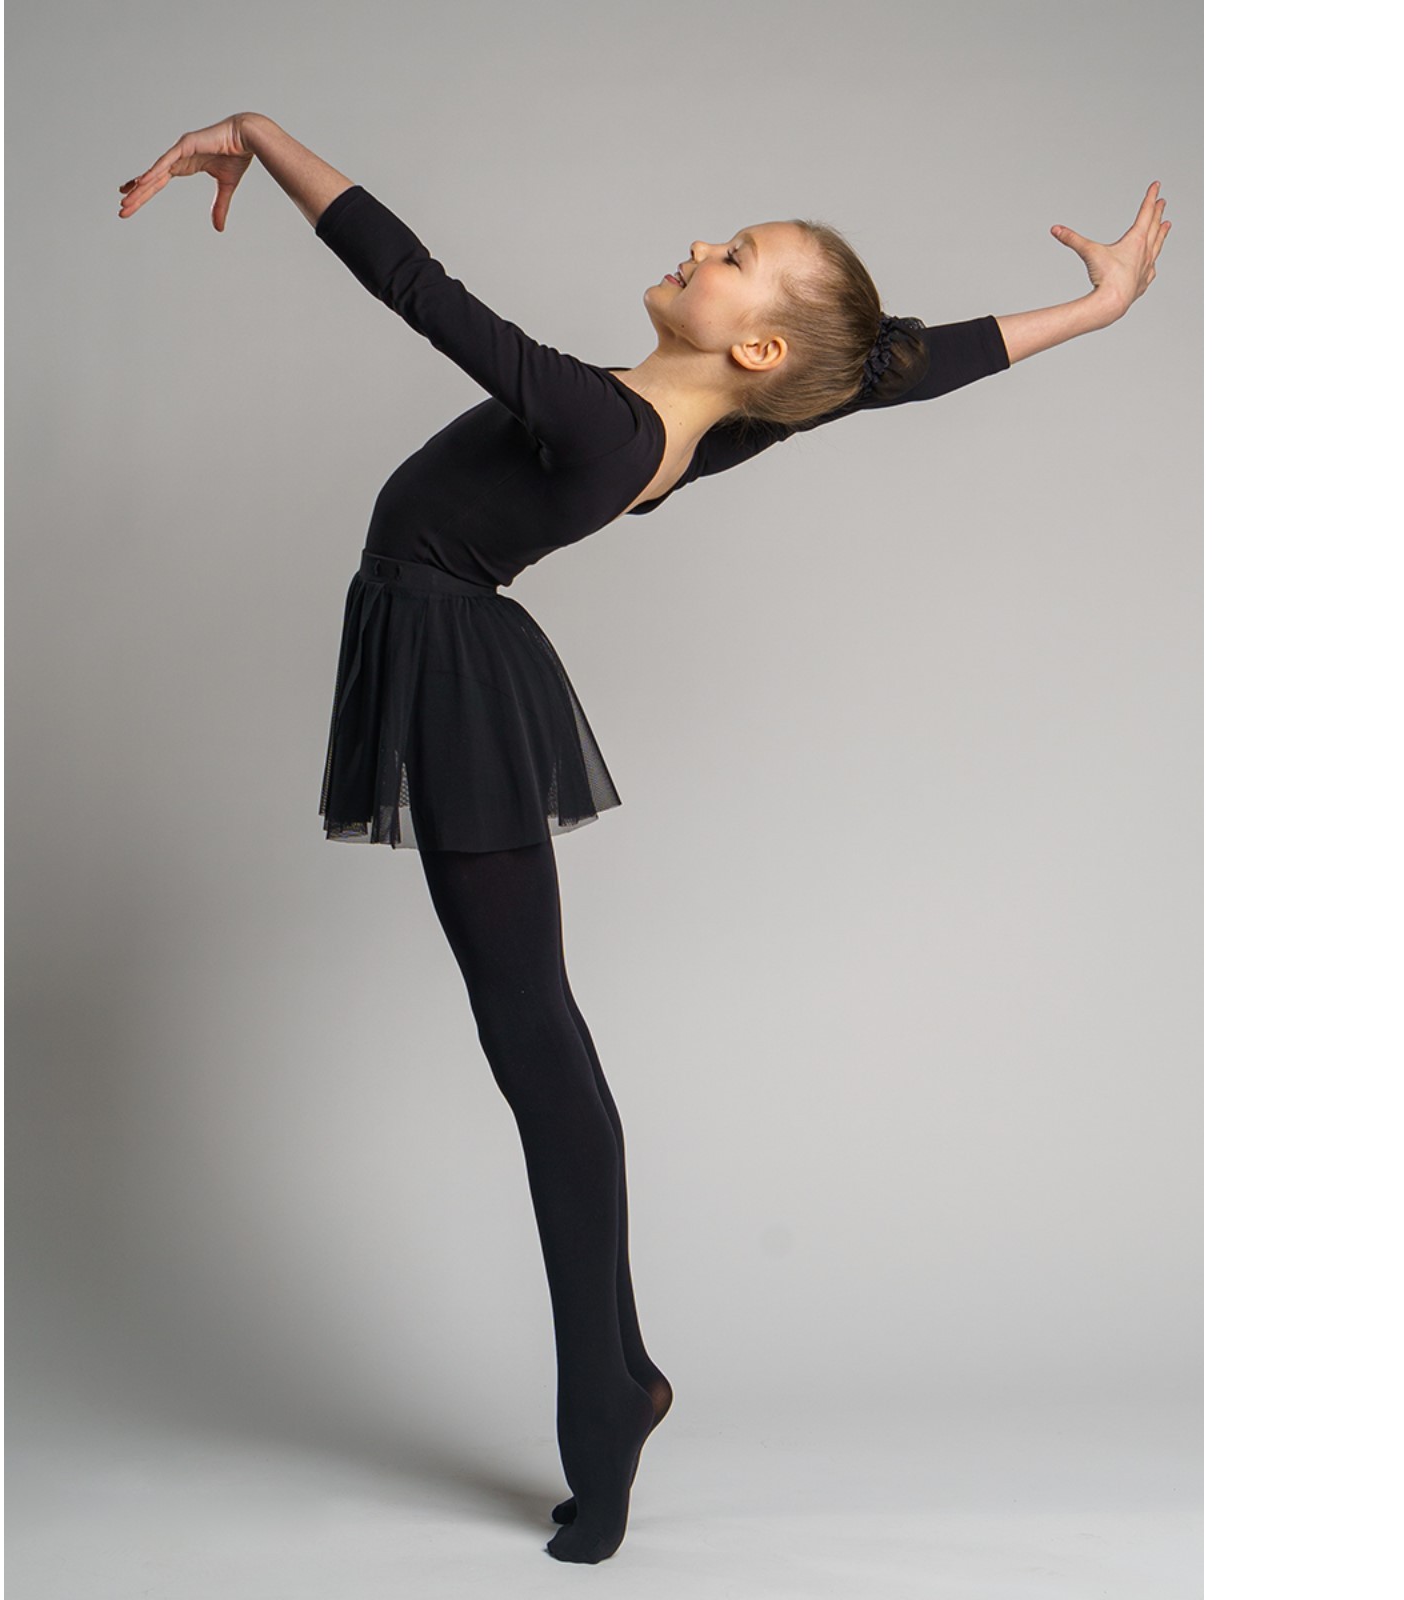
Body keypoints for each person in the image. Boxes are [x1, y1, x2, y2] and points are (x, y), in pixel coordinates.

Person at [118, 113, 1169, 1564]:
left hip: (454, 670)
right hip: (447, 650)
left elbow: (415, 284)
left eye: (734, 255)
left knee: (533, 1040)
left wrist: (258, 131)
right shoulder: (715, 422)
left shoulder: (610, 425)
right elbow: (894, 368)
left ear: (755, 347)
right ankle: (614, 1381)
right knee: (534, 1034)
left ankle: (604, 1408)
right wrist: (1094, 311)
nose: (700, 246)